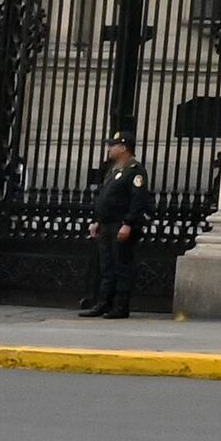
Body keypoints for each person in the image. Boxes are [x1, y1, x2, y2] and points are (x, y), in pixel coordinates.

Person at [80, 136, 151, 321]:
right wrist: (97, 221)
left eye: (113, 145)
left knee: (121, 265)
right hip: (107, 225)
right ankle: (104, 302)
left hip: (121, 225)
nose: (109, 148)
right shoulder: (114, 170)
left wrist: (128, 223)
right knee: (107, 266)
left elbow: (138, 200)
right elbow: (105, 197)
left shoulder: (135, 171)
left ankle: (120, 306)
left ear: (124, 148)